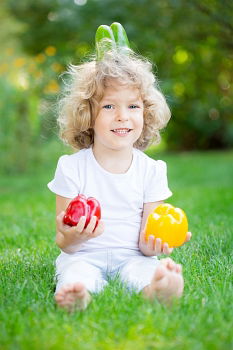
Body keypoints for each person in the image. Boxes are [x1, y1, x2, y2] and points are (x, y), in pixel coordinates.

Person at [47, 49, 191, 312]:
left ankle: (158, 291)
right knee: (75, 272)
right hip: (83, 255)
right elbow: (64, 243)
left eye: (133, 106)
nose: (122, 116)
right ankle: (79, 296)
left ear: (145, 113)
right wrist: (74, 237)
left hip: (132, 256)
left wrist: (160, 241)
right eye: (109, 106)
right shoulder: (71, 167)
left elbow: (146, 247)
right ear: (88, 114)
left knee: (146, 270)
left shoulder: (152, 170)